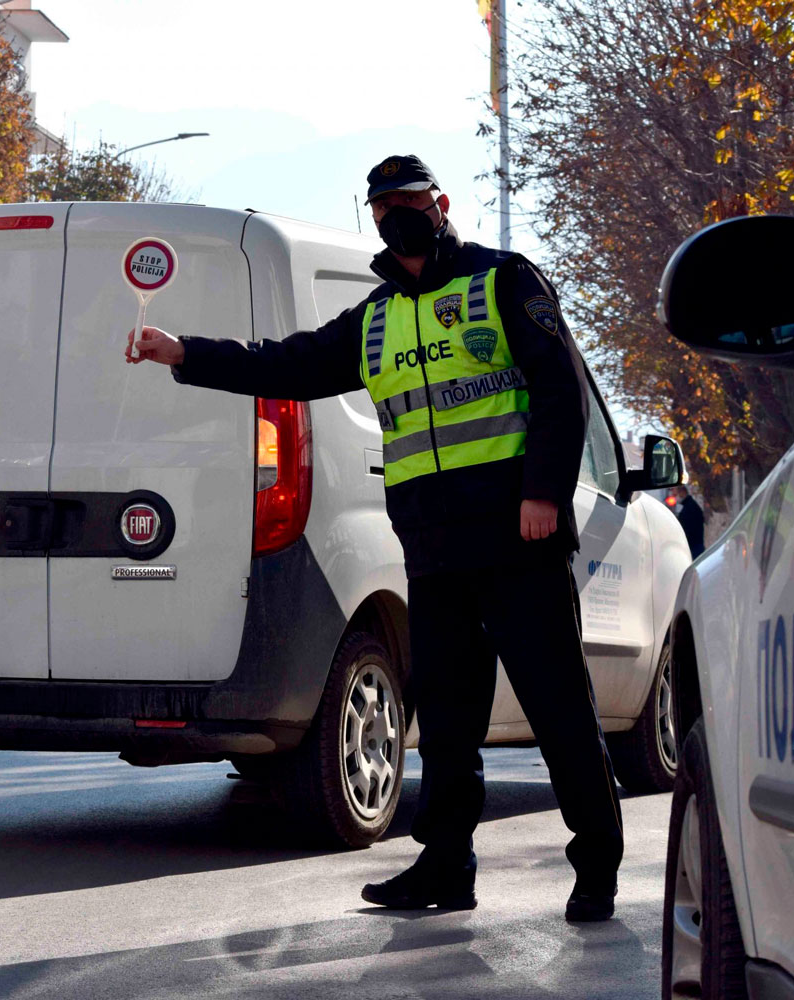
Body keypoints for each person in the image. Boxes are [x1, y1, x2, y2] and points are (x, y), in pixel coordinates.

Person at [128, 155, 626, 921]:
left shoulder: (502, 281)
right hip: (432, 551)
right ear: (375, 218)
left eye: (410, 199)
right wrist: (185, 353)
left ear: (440, 203)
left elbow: (560, 391)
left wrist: (542, 495)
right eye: (384, 203)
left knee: (559, 707)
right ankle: (445, 867)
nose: (398, 212)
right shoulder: (377, 317)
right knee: (449, 727)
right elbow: (287, 365)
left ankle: (596, 868)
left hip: (517, 539)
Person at [672, 485, 705, 558]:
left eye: (675, 494)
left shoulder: (689, 509)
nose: (675, 497)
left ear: (682, 492)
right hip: (695, 547)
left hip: (693, 548)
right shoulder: (690, 506)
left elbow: (687, 530)